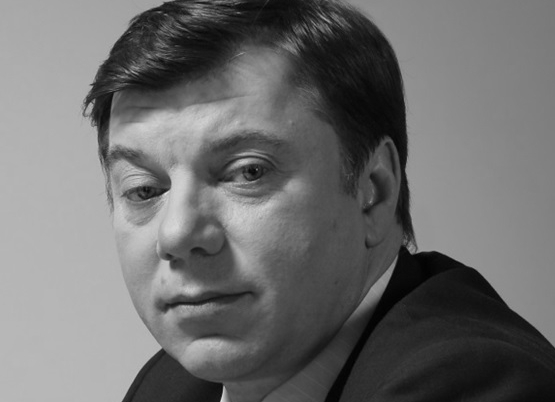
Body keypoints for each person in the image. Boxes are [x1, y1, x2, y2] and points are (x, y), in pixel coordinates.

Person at [83, 0, 555, 401]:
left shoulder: (474, 382)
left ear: (374, 190)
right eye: (144, 190)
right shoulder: (172, 386)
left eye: (248, 172)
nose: (176, 234)